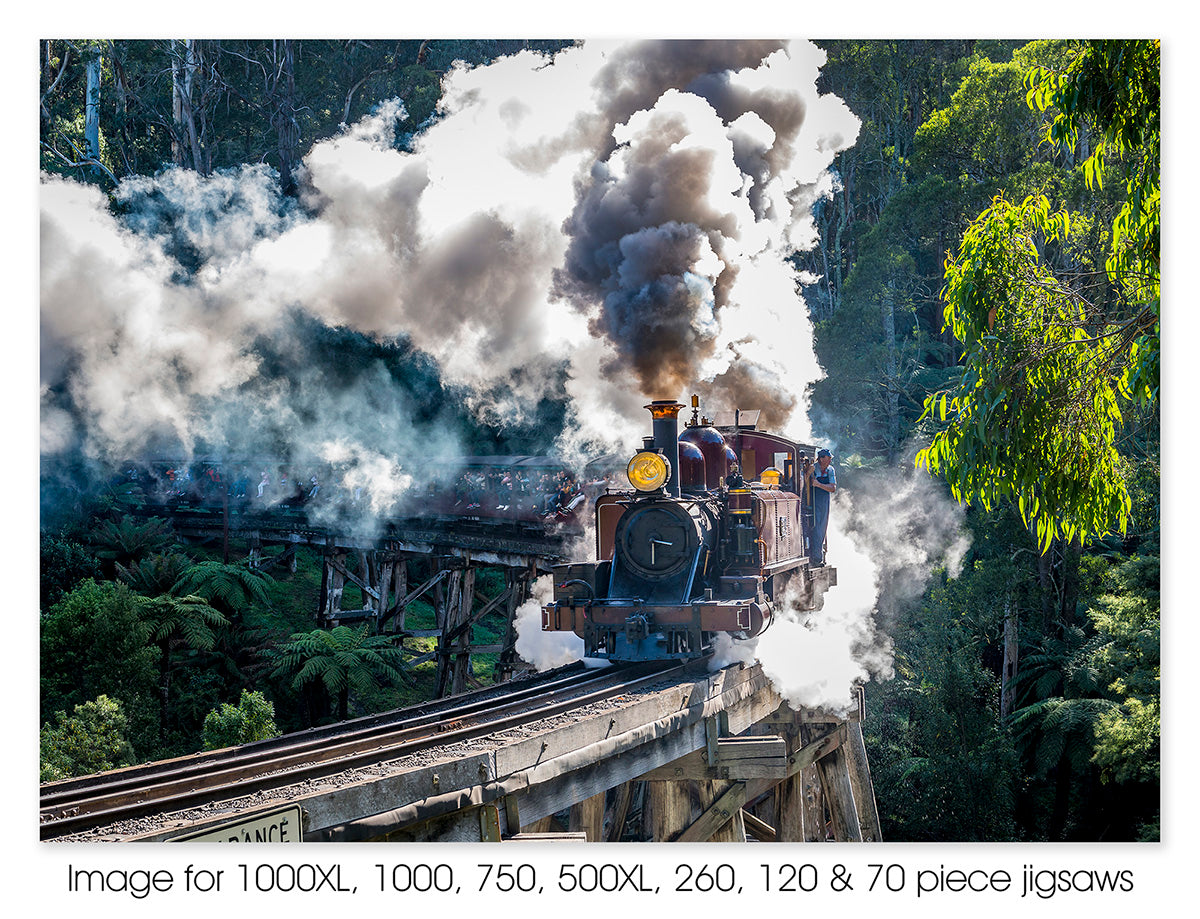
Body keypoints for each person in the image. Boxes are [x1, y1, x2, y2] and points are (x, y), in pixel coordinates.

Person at [807, 448, 837, 566]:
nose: (829, 460)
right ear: (821, 458)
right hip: (812, 500)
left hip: (823, 500)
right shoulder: (813, 468)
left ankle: (818, 556)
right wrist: (808, 473)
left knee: (821, 527)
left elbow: (833, 488)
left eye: (830, 458)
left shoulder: (830, 470)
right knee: (815, 526)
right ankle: (816, 557)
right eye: (827, 458)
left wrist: (819, 484)